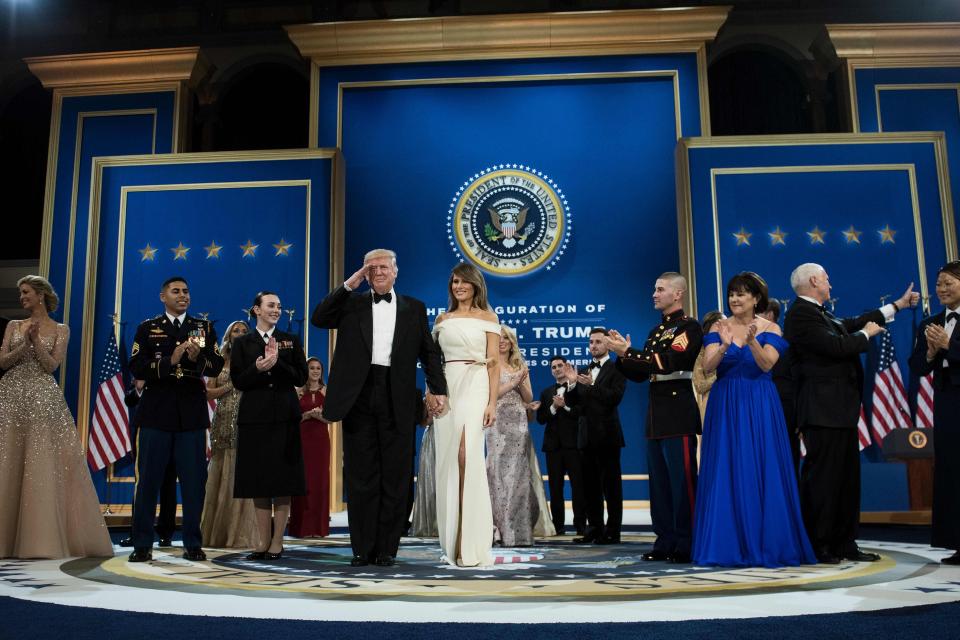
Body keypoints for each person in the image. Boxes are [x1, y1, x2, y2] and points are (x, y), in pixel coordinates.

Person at [312, 249, 447, 567]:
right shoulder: (351, 303)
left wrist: (438, 389)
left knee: (396, 476)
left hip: (397, 396)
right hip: (358, 396)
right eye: (371, 268)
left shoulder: (414, 307)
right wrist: (351, 282)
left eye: (384, 266)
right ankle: (362, 548)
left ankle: (387, 548)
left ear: (396, 271)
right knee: (361, 476)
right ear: (365, 273)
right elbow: (319, 318)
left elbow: (428, 352)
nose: (378, 272)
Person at [784, 263, 918, 564]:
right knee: (823, 480)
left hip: (839, 410)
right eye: (827, 279)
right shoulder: (799, 314)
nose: (830, 284)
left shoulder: (821, 313)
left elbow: (852, 322)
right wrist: (866, 336)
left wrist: (895, 306)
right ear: (814, 280)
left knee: (845, 480)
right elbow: (835, 346)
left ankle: (844, 543)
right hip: (821, 410)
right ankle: (818, 545)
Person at [694, 272, 816, 567]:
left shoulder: (771, 327)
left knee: (761, 467)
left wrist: (751, 342)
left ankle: (767, 544)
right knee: (727, 467)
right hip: (725, 404)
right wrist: (723, 345)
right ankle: (726, 545)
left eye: (742, 294)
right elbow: (708, 367)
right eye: (732, 294)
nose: (735, 299)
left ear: (756, 298)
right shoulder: (718, 327)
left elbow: (766, 364)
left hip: (760, 404)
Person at [0, 275, 113, 559]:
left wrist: (36, 342)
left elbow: (51, 366)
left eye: (26, 292)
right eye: (20, 292)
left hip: (42, 399)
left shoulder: (61, 329)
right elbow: (3, 362)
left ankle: (39, 540)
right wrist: (23, 342)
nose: (22, 297)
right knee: (8, 460)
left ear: (40, 295)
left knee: (40, 464)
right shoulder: (13, 325)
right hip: (11, 397)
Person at [605, 272, 702, 563]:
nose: (654, 294)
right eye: (654, 289)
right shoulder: (655, 332)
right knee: (659, 484)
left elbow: (671, 362)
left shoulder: (689, 328)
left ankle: (686, 542)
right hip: (656, 414)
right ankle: (664, 540)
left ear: (678, 294)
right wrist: (623, 356)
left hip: (678, 412)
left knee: (682, 482)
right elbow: (640, 373)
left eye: (660, 289)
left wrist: (630, 352)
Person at [128, 276, 223, 562]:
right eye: (176, 291)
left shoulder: (203, 328)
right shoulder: (147, 328)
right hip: (156, 414)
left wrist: (197, 358)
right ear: (163, 296)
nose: (183, 295)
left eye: (186, 291)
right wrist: (170, 360)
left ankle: (193, 542)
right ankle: (143, 544)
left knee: (194, 484)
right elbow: (136, 365)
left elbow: (217, 363)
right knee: (148, 484)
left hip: (191, 417)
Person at [430, 262, 500, 566]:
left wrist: (492, 403)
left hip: (476, 386)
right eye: (454, 281)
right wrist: (431, 392)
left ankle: (471, 542)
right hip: (447, 386)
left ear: (475, 285)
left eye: (464, 282)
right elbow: (433, 362)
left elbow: (495, 364)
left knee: (466, 456)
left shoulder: (488, 317)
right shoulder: (442, 319)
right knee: (448, 461)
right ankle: (452, 540)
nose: (458, 286)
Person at [232, 292, 308, 560]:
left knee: (283, 481)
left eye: (279, 305)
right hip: (255, 420)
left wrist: (278, 365)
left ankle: (278, 541)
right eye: (271, 305)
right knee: (259, 482)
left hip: (285, 418)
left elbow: (301, 376)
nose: (276, 310)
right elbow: (239, 381)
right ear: (257, 310)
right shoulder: (242, 343)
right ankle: (263, 541)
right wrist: (258, 368)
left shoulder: (290, 340)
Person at [908, 260, 960, 565]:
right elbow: (916, 366)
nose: (941, 289)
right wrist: (929, 352)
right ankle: (955, 541)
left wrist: (949, 345)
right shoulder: (930, 322)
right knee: (952, 470)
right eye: (939, 284)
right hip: (946, 404)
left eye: (948, 283)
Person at [487, 325, 554, 546]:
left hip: (518, 422)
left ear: (512, 342)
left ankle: (518, 531)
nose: (503, 341)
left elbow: (528, 395)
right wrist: (513, 382)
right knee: (497, 475)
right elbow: (490, 394)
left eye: (507, 338)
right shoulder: (489, 364)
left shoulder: (519, 365)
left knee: (517, 476)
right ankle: (498, 529)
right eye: (500, 338)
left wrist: (522, 380)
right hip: (496, 422)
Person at [562, 327, 626, 545]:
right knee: (590, 488)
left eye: (598, 342)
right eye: (591, 342)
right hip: (586, 437)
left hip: (607, 437)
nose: (593, 346)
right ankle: (594, 529)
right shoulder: (586, 369)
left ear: (607, 344)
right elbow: (574, 405)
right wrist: (571, 384)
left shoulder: (617, 368)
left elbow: (614, 398)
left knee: (611, 488)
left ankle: (613, 531)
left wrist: (592, 386)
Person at [200, 320, 259, 549]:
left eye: (245, 331)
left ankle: (241, 534)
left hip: (247, 421)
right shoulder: (219, 362)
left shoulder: (255, 360)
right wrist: (229, 387)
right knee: (221, 473)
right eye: (236, 330)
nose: (241, 333)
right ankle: (219, 533)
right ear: (229, 335)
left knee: (243, 474)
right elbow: (207, 393)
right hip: (223, 422)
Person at [119, 379, 176, 548]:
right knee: (142, 484)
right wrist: (138, 388)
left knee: (168, 484)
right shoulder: (144, 368)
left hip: (171, 431)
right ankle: (138, 533)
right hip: (144, 433)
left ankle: (166, 534)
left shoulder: (174, 368)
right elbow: (129, 400)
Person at [536, 356, 586, 537]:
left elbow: (581, 413)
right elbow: (541, 419)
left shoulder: (578, 389)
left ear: (567, 367)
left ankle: (581, 525)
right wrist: (553, 408)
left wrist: (564, 406)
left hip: (574, 445)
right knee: (555, 489)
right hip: (553, 447)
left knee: (578, 486)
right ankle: (557, 526)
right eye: (553, 367)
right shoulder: (546, 392)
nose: (557, 369)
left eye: (560, 366)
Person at [289, 357, 331, 538]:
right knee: (303, 481)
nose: (315, 371)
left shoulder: (327, 391)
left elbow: (331, 418)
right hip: (302, 440)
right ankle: (301, 528)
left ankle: (318, 528)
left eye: (318, 368)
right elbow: (291, 419)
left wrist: (319, 416)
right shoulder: (297, 391)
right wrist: (306, 415)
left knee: (320, 481)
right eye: (311, 368)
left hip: (321, 442)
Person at [760, 299, 801, 476]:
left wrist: (799, 417)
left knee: (787, 460)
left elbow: (797, 381)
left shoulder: (787, 346)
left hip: (785, 411)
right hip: (759, 408)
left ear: (770, 315)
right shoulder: (750, 345)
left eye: (758, 313)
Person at [410, 391, 438, 537]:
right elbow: (423, 422)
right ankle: (432, 525)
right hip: (434, 440)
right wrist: (432, 413)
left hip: (454, 437)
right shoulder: (429, 393)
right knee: (432, 481)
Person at [692, 311, 724, 421]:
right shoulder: (701, 351)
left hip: (733, 400)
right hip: (712, 403)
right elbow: (700, 386)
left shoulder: (733, 347)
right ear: (712, 327)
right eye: (722, 323)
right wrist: (721, 375)